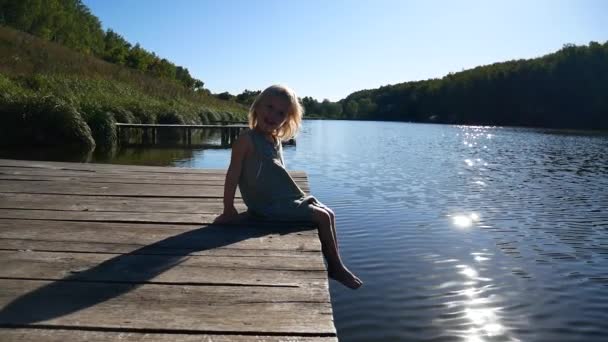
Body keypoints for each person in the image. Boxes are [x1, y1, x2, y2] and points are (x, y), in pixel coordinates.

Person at [216, 84, 362, 289]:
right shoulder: (246, 140)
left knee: (329, 213)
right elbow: (233, 174)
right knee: (322, 217)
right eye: (269, 107)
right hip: (266, 205)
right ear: (257, 107)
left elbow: (274, 174)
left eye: (281, 112)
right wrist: (228, 208)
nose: (273, 115)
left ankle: (336, 264)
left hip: (281, 198)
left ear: (287, 119)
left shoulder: (274, 140)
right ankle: (336, 267)